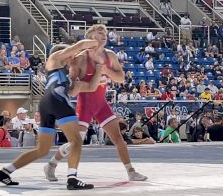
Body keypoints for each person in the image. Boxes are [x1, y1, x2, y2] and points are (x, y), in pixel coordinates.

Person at [0, 39, 103, 190]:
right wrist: (95, 42)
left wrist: (100, 68)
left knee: (42, 150)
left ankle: (5, 172)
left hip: (46, 104)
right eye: (71, 55)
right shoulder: (55, 59)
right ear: (65, 53)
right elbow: (77, 47)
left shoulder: (66, 77)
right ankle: (72, 179)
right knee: (76, 140)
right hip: (57, 100)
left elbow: (90, 87)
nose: (73, 58)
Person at [44, 24, 147, 182]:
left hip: (101, 103)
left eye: (105, 32)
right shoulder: (80, 59)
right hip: (85, 104)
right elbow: (72, 88)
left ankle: (131, 171)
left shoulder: (110, 55)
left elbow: (121, 78)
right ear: (90, 38)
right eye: (100, 33)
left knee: (118, 137)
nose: (104, 35)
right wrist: (79, 86)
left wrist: (107, 71)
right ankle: (52, 164)